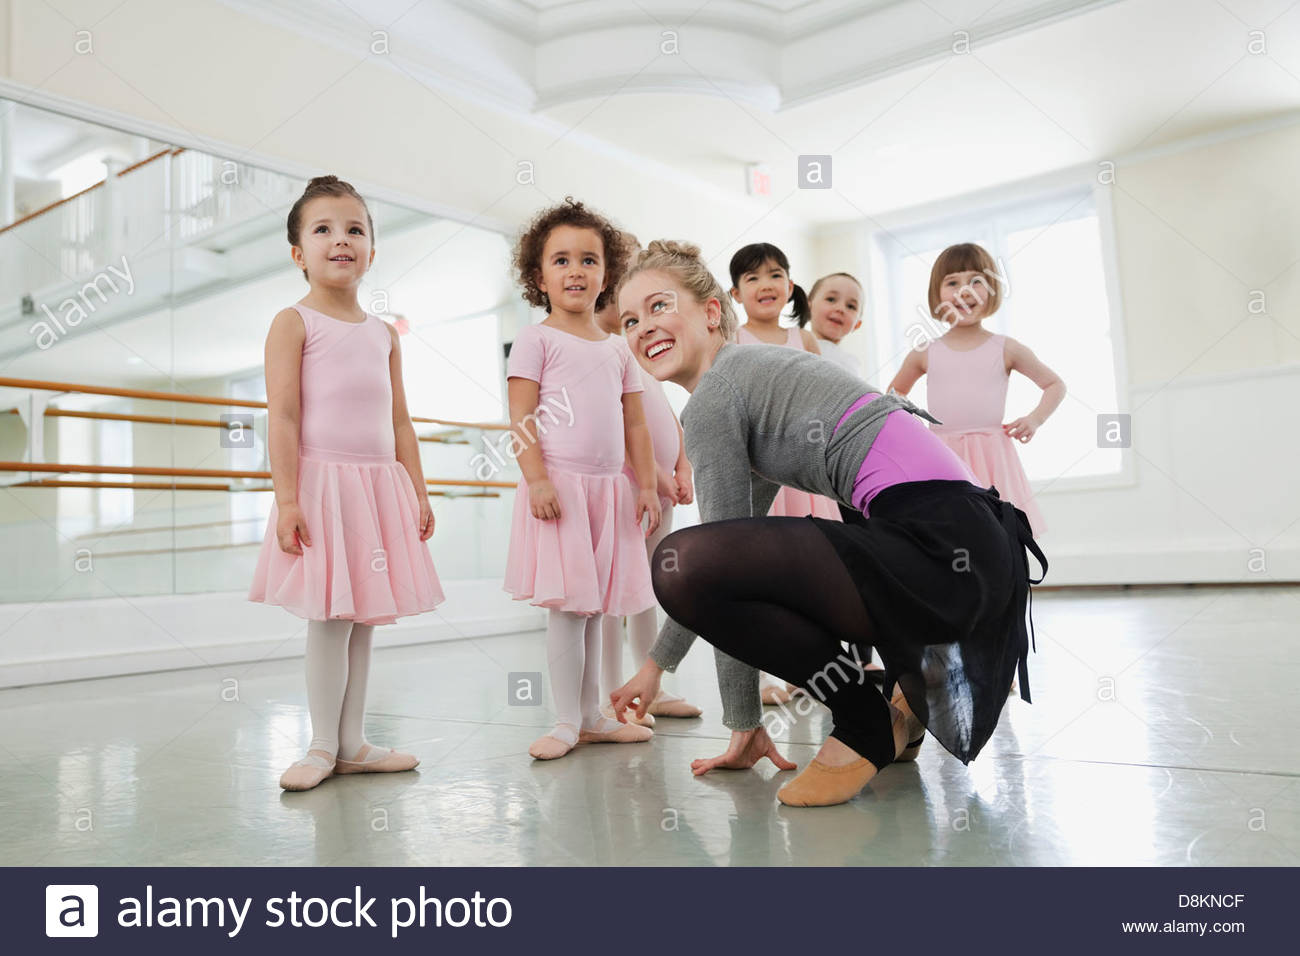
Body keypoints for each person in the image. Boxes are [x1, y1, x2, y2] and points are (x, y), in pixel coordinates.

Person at [610, 240, 1046, 807]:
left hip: (936, 549)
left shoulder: (716, 394)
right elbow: (735, 552)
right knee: (706, 561)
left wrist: (739, 720)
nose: (644, 326)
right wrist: (656, 668)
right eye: (629, 320)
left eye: (659, 306)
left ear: (712, 313)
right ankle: (897, 706)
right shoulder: (751, 379)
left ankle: (863, 719)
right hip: (972, 553)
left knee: (678, 560)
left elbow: (709, 564)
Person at [249, 175, 444, 791]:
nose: (341, 240)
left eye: (355, 229)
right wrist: (286, 499)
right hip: (322, 486)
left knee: (363, 619)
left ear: (372, 251)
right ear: (297, 253)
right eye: (323, 229)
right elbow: (282, 415)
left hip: (378, 487)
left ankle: (353, 742)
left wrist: (417, 489)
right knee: (329, 619)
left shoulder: (384, 334)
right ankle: (319, 745)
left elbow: (401, 420)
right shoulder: (293, 322)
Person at [502, 198, 662, 760]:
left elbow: (636, 422)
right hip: (561, 490)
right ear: (538, 275)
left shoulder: (620, 348)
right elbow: (521, 419)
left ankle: (594, 715)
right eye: (562, 260)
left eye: (588, 260)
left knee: (601, 609)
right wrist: (538, 480)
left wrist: (644, 484)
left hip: (610, 493)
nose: (576, 271)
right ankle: (567, 719)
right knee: (569, 608)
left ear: (606, 274)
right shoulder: (536, 339)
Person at [593, 245, 704, 724]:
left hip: (661, 488)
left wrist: (682, 467)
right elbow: (620, 427)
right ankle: (612, 693)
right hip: (631, 487)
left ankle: (649, 686)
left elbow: (670, 420)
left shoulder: (642, 353)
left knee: (651, 589)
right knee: (619, 593)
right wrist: (655, 476)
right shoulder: (611, 354)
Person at [728, 242, 842, 705]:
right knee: (760, 576)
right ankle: (761, 678)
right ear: (735, 294)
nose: (765, 284)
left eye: (774, 274)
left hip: (806, 474)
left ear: (790, 285)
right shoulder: (733, 341)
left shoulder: (805, 340)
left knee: (810, 574)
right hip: (759, 473)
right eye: (752, 278)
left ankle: (807, 670)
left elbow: (826, 398)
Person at [889, 243, 1065, 537]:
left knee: (1000, 530)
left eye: (976, 281)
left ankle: (1007, 582)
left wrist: (1035, 419)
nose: (964, 290)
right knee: (949, 529)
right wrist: (913, 428)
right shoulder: (925, 351)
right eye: (952, 282)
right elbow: (893, 396)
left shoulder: (1006, 348)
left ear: (992, 290)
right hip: (943, 454)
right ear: (937, 293)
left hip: (994, 454)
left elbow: (1054, 384)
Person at [806, 272, 866, 379]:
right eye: (831, 299)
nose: (840, 309)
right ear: (808, 306)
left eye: (851, 306)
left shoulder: (851, 364)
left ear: (857, 324)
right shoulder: (793, 345)